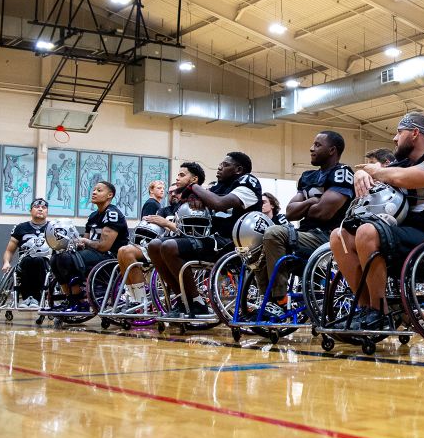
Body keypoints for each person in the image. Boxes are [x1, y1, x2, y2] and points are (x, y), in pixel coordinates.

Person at [330, 113, 424, 329]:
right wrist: (360, 174)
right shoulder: (401, 164)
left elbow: (405, 177)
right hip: (406, 239)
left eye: (398, 132)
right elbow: (378, 172)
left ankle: (380, 313)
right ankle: (366, 312)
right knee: (340, 237)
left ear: (414, 133)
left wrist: (376, 172)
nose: (394, 138)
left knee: (367, 232)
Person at [149, 153, 261, 317]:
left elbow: (219, 203)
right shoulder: (219, 186)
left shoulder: (248, 183)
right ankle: (182, 300)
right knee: (154, 246)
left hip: (232, 242)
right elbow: (187, 198)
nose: (220, 167)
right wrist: (195, 195)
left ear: (238, 169)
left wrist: (194, 187)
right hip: (210, 239)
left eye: (225, 164)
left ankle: (197, 302)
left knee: (169, 246)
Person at [254, 131, 354, 306]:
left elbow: (324, 213)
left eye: (317, 145)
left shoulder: (342, 172)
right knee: (258, 244)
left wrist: (305, 206)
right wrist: (312, 201)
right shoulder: (308, 176)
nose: (311, 148)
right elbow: (290, 212)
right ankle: (265, 299)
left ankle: (279, 299)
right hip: (304, 234)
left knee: (274, 233)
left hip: (329, 236)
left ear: (332, 150)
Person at [115, 163, 203, 310]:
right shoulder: (163, 210)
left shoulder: (191, 206)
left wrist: (167, 224)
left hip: (177, 247)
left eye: (176, 191)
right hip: (157, 245)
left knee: (129, 251)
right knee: (123, 250)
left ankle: (142, 301)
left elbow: (191, 233)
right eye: (169, 192)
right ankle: (137, 298)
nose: (173, 194)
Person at [47, 181, 129, 311]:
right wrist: (78, 243)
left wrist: (86, 242)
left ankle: (79, 301)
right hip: (92, 254)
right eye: (94, 190)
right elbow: (85, 239)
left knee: (67, 259)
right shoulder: (93, 216)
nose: (94, 192)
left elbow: (104, 247)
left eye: (99, 190)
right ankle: (70, 299)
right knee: (56, 259)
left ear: (110, 195)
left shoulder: (113, 214)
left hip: (109, 258)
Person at [1, 198, 51, 307]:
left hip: (46, 263)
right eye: (37, 207)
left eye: (44, 207)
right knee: (29, 260)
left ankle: (36, 299)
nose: (40, 209)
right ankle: (27, 298)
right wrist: (6, 262)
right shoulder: (20, 228)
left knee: (38, 260)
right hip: (25, 262)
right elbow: (9, 250)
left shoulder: (53, 227)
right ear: (30, 210)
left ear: (47, 211)